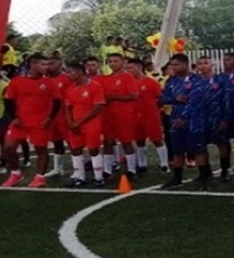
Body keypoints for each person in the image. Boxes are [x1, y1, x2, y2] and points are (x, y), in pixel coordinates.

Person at [1, 54, 62, 188]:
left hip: (40, 122)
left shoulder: (49, 82)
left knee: (41, 149)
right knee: (9, 147)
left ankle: (40, 177)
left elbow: (57, 103)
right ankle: (15, 173)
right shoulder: (17, 81)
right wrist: (14, 118)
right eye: (42, 64)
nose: (46, 67)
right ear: (32, 65)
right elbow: (8, 101)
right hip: (20, 121)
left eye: (47, 64)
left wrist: (49, 118)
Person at [159, 54, 212, 189]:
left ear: (185, 64)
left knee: (198, 149)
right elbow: (163, 97)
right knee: (177, 150)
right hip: (175, 118)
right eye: (171, 64)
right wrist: (176, 98)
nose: (173, 67)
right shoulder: (172, 81)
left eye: (176, 64)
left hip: (194, 120)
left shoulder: (197, 81)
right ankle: (177, 178)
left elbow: (195, 101)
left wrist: (183, 118)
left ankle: (204, 178)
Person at [63, 62, 106, 188]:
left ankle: (99, 177)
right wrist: (71, 123)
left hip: (90, 123)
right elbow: (67, 107)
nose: (68, 74)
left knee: (93, 149)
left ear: (80, 72)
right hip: (75, 124)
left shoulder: (94, 86)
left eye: (70, 71)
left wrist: (79, 122)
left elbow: (97, 107)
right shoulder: (70, 88)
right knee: (76, 149)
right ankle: (80, 177)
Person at [97, 52, 139, 181]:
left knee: (126, 141)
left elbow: (134, 95)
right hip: (107, 114)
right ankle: (107, 170)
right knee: (108, 141)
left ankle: (132, 169)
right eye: (110, 61)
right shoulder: (104, 79)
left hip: (123, 114)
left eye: (116, 61)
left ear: (122, 63)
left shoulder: (128, 78)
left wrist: (114, 97)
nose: (113, 63)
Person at [126, 58, 168, 174]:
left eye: (131, 67)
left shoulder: (151, 82)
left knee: (157, 139)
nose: (128, 70)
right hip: (134, 115)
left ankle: (164, 163)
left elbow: (160, 98)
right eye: (127, 68)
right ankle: (142, 164)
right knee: (139, 140)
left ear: (139, 68)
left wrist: (154, 109)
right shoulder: (128, 84)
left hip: (150, 115)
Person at [196, 55, 230, 181]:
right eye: (200, 63)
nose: (203, 66)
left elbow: (226, 100)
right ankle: (205, 172)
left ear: (212, 65)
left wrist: (225, 118)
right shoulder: (196, 82)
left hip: (217, 116)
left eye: (206, 63)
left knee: (222, 144)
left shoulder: (220, 80)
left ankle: (225, 169)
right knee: (201, 145)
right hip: (200, 118)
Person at [45, 55, 71, 178]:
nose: (49, 66)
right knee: (56, 142)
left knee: (72, 142)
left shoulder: (67, 79)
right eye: (47, 64)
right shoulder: (44, 80)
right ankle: (58, 168)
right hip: (51, 117)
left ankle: (82, 165)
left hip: (65, 116)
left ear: (60, 64)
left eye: (52, 63)